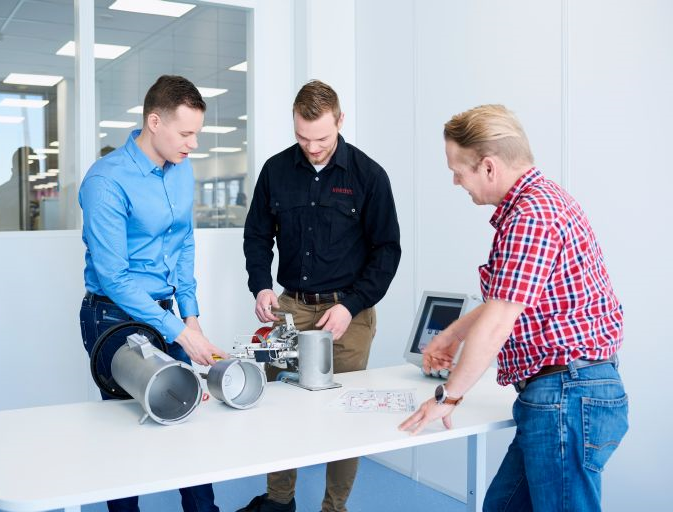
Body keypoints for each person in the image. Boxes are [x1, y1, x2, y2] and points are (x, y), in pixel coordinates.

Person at [398, 104, 628, 511]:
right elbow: (513, 299)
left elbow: (498, 323)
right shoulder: (543, 203)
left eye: (458, 170)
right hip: (566, 393)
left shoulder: (531, 216)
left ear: (488, 167)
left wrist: (448, 397)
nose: (455, 181)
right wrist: (454, 333)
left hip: (566, 397)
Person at [241, 80, 402, 512]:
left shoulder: (369, 176)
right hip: (290, 308)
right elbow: (257, 235)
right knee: (277, 403)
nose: (312, 148)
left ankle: (334, 507)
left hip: (348, 312)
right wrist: (261, 284)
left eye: (322, 139)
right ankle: (279, 500)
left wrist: (351, 306)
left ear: (340, 121)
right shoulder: (276, 171)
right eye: (302, 137)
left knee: (344, 413)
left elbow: (387, 251)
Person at [79, 75, 227, 512]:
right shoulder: (105, 181)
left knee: (188, 416)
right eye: (186, 133)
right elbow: (114, 278)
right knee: (127, 432)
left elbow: (183, 243)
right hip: (113, 317)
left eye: (197, 133)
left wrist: (191, 318)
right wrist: (180, 333)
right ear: (154, 122)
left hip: (165, 313)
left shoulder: (182, 169)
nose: (193, 144)